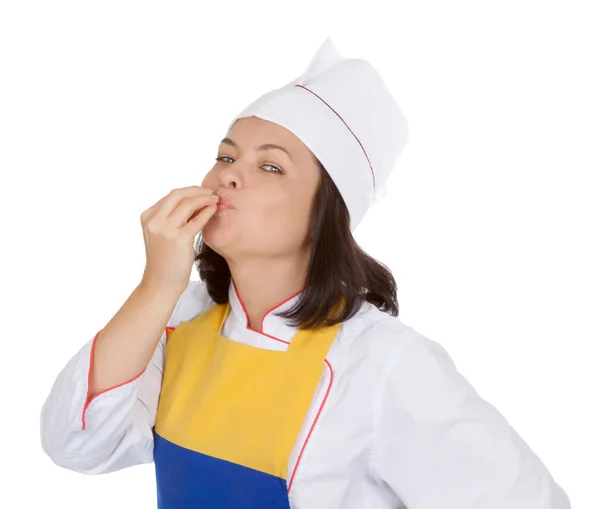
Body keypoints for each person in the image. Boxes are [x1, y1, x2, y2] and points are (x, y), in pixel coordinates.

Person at [40, 37, 571, 509]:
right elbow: (79, 443)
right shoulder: (180, 319)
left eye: (270, 166)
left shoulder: (384, 364)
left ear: (326, 214)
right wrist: (157, 285)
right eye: (226, 157)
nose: (230, 177)